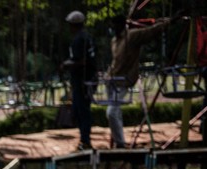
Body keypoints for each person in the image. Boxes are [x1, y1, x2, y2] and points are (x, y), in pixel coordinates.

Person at [106, 14, 178, 148]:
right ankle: (118, 141)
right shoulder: (114, 41)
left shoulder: (132, 36)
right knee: (115, 113)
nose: (113, 27)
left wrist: (168, 22)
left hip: (124, 81)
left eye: (115, 24)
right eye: (112, 25)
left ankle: (120, 143)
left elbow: (151, 31)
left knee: (111, 112)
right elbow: (115, 61)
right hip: (112, 80)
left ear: (122, 25)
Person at [62, 11, 96, 150]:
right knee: (78, 109)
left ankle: (85, 140)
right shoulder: (86, 37)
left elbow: (81, 61)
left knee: (82, 110)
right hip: (86, 79)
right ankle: (84, 137)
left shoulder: (79, 39)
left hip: (82, 80)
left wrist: (65, 65)